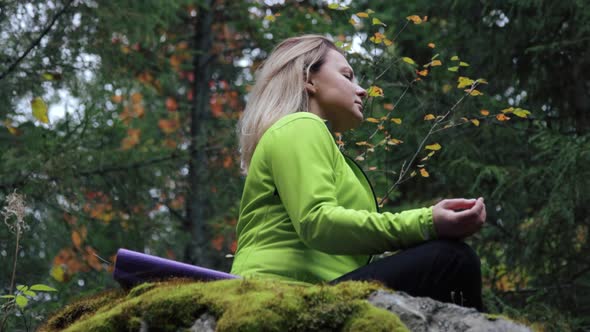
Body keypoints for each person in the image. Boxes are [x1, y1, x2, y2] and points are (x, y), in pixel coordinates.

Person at [230, 35, 486, 311]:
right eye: (347, 76)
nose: (362, 90)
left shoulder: (309, 138)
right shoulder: (299, 125)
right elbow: (318, 222)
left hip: (311, 292)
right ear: (308, 78)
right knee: (452, 259)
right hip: (280, 296)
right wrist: (427, 222)